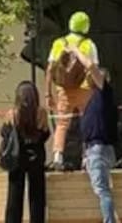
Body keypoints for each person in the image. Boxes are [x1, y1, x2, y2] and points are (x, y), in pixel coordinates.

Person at [46, 10, 99, 169]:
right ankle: (86, 157)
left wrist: (48, 93)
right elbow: (93, 69)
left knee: (62, 123)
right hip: (85, 89)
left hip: (63, 90)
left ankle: (58, 156)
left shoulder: (59, 43)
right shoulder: (88, 44)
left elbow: (50, 69)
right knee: (86, 122)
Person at [76, 52, 118, 223]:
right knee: (104, 189)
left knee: (102, 190)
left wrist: (76, 50)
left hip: (98, 149)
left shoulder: (104, 92)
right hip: (94, 149)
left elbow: (91, 67)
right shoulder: (93, 100)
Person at [3, 81, 50, 223]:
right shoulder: (41, 113)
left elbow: (4, 133)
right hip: (36, 157)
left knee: (14, 195)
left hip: (17, 157)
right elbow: (45, 135)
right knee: (37, 196)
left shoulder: (12, 114)